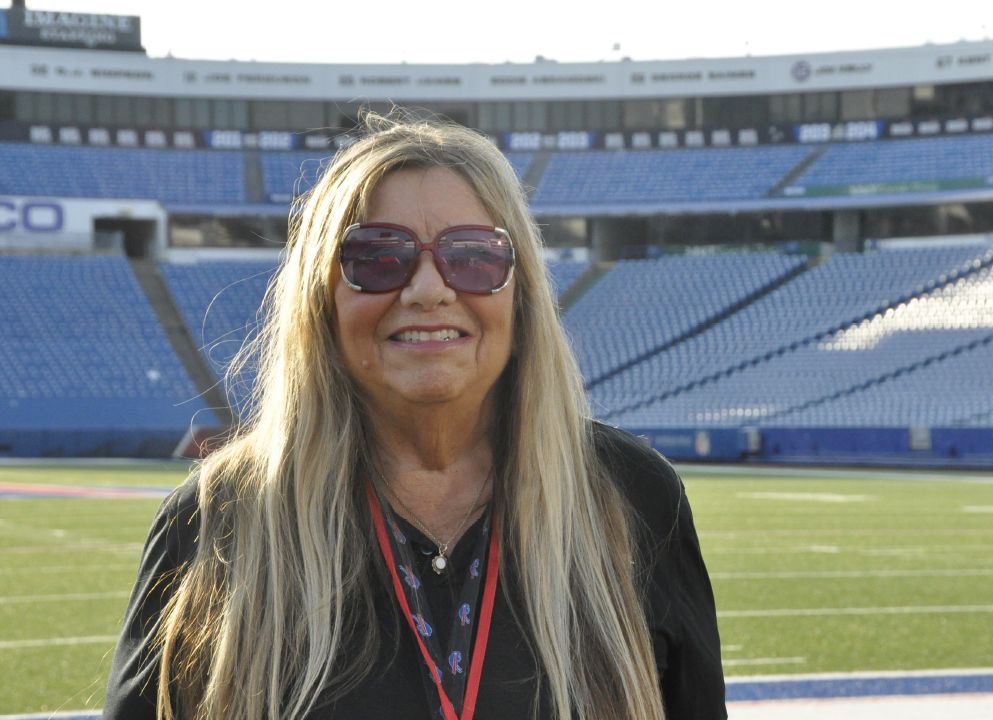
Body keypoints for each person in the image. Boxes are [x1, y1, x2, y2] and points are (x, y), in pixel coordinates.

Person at [103, 115, 725, 720]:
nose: (428, 288)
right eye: (378, 257)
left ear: (523, 291)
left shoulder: (631, 496)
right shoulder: (218, 519)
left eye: (474, 255)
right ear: (321, 299)